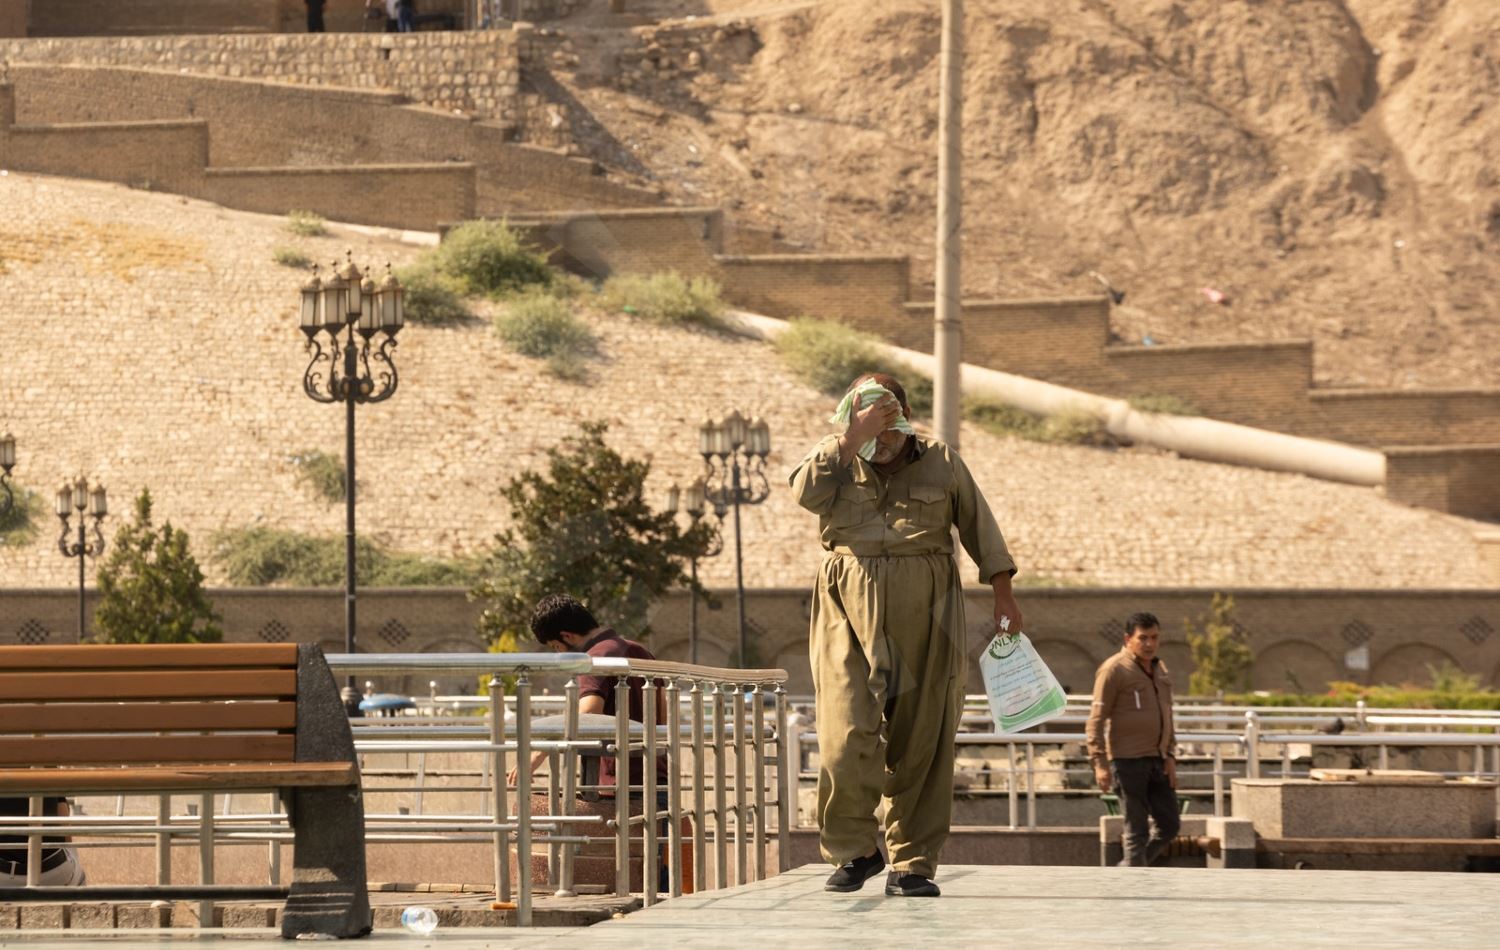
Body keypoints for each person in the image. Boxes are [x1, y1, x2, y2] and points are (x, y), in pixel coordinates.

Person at [789, 373, 1022, 899]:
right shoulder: (836, 457)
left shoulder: (940, 459)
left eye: (885, 419)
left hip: (930, 608)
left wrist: (1003, 595)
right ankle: (856, 850)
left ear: (905, 416)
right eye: (865, 418)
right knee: (843, 734)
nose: (880, 434)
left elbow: (980, 526)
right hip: (846, 606)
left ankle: (912, 862)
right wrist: (851, 439)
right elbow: (804, 493)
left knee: (923, 737)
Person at [512, 594, 667, 793]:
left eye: (556, 646)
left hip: (618, 789)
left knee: (534, 807)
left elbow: (588, 715)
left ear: (567, 636)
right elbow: (663, 714)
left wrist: (539, 753)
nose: (559, 654)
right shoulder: (641, 651)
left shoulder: (593, 659)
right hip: (658, 780)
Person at [1085, 611, 1180, 867]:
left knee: (1169, 825)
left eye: (1154, 637)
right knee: (1136, 831)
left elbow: (1168, 714)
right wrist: (1099, 763)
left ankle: (1129, 869)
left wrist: (1170, 755)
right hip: (1127, 762)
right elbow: (1096, 720)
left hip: (1158, 760)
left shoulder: (1160, 669)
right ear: (1128, 639)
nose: (1149, 644)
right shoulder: (1114, 670)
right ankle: (1134, 879)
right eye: (1143, 638)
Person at [0, 797, 86, 886]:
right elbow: (64, 822)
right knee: (80, 877)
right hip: (54, 870)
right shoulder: (50, 787)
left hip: (3, 872)